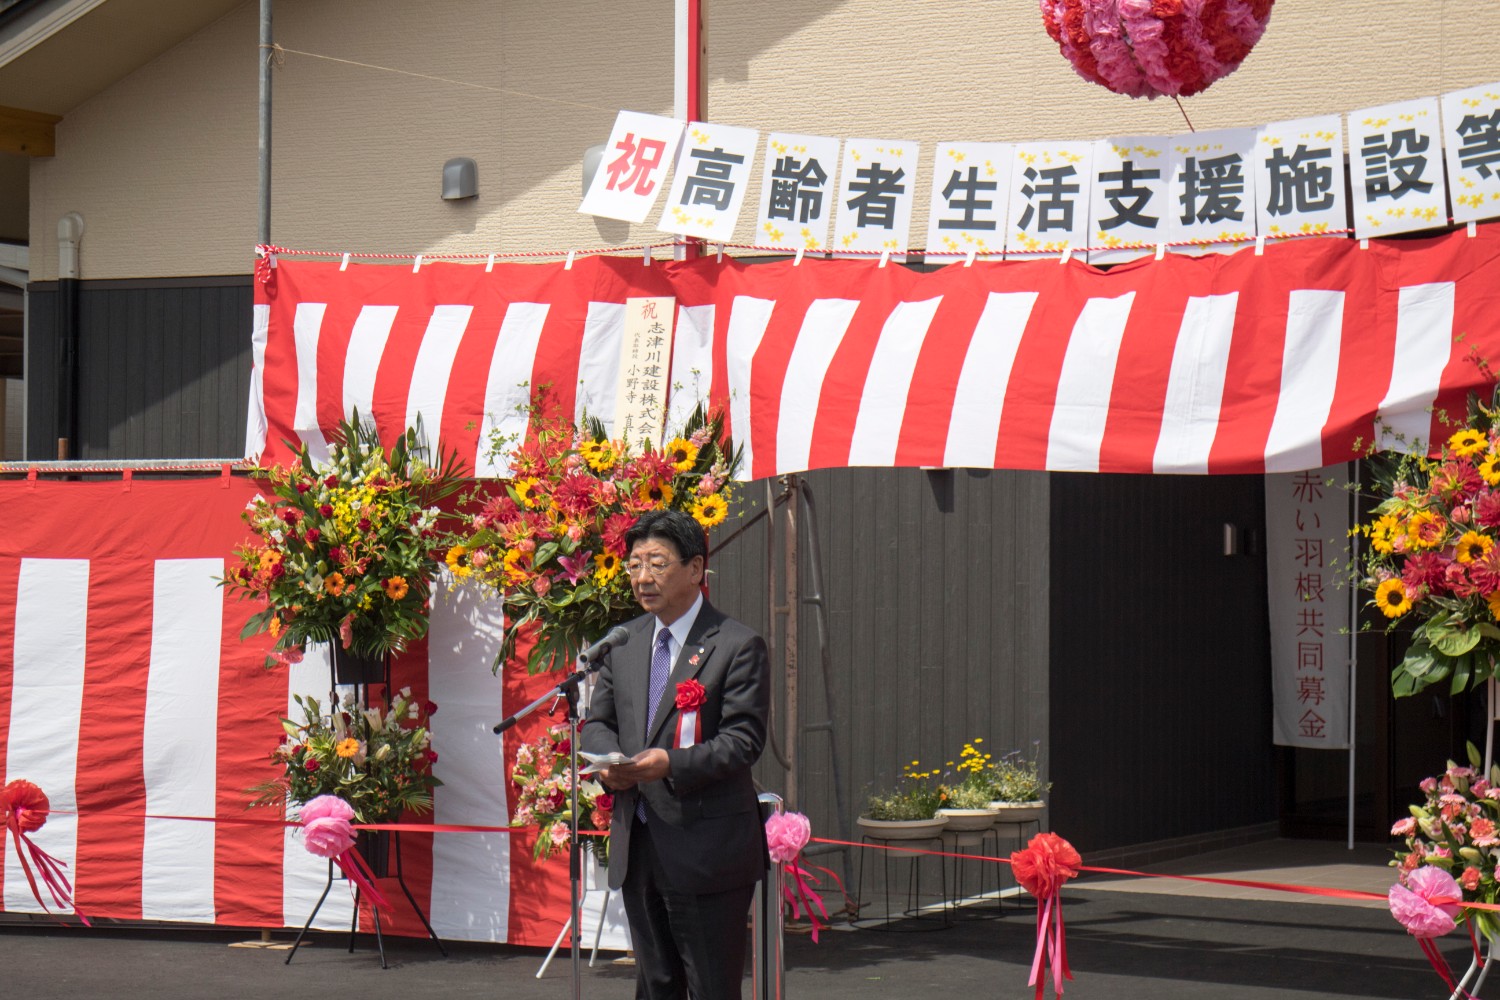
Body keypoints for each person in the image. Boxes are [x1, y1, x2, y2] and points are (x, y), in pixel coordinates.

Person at [583, 508, 771, 1000]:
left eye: (657, 563)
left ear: (695, 569)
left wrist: (669, 764)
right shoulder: (623, 643)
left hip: (706, 847)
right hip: (639, 841)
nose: (643, 577)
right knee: (657, 984)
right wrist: (610, 767)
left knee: (710, 985)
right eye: (634, 564)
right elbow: (598, 723)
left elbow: (743, 742)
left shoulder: (736, 644)